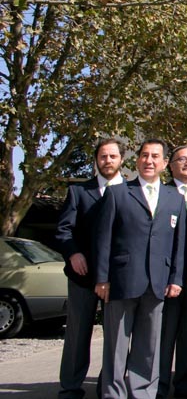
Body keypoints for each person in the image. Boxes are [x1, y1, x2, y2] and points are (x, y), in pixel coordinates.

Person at [94, 139, 186, 399]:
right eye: (144, 155)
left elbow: (178, 243)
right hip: (122, 281)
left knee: (149, 346)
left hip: (158, 283)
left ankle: (143, 392)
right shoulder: (118, 193)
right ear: (136, 161)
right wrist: (102, 278)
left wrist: (175, 278)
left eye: (155, 156)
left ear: (165, 163)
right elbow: (104, 240)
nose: (149, 161)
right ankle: (113, 393)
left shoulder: (174, 198)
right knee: (116, 346)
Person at [56, 138, 124, 399]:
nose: (108, 161)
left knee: (115, 337)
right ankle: (71, 386)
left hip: (117, 278)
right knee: (78, 333)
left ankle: (107, 386)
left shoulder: (131, 192)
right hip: (83, 276)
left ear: (121, 160)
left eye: (113, 156)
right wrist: (73, 253)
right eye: (103, 156)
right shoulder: (79, 193)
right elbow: (63, 230)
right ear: (96, 160)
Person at [158, 146, 187, 399]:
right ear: (170, 165)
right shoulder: (161, 193)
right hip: (165, 278)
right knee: (163, 337)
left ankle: (184, 387)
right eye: (181, 159)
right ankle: (159, 386)